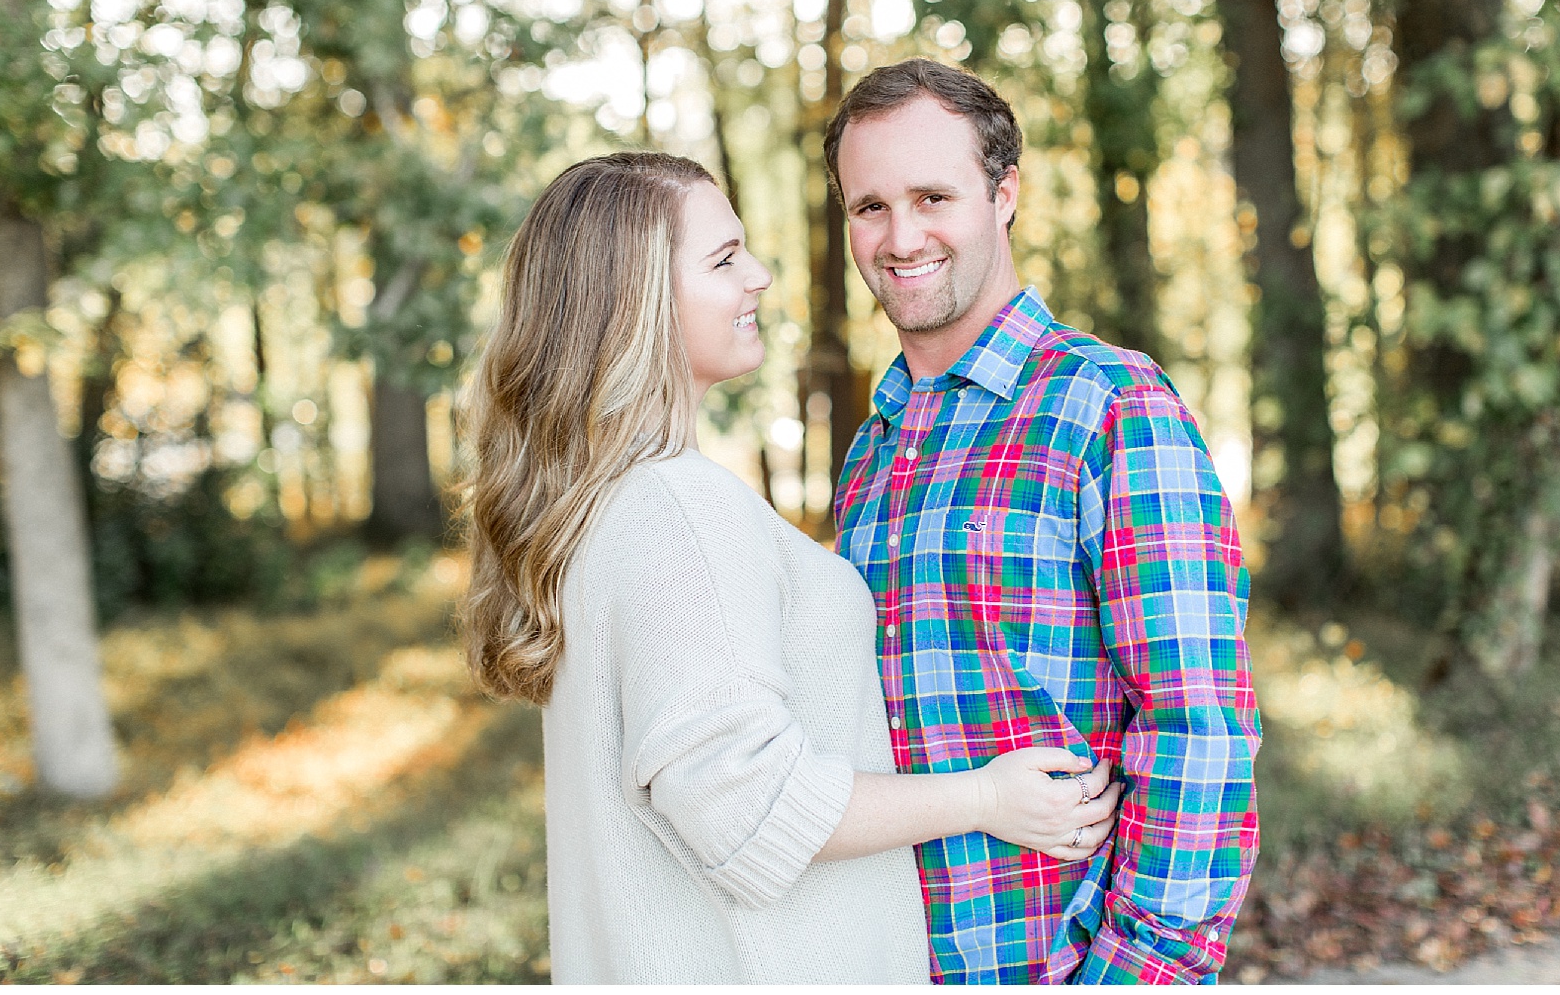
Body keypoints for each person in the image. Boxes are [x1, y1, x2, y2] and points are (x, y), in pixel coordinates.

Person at [458, 151, 1124, 984]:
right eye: (724, 258)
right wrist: (982, 798)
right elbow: (744, 804)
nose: (761, 276)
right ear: (637, 299)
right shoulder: (676, 507)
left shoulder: (602, 502)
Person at [826, 60, 1261, 984]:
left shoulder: (1111, 404)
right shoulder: (873, 453)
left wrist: (1136, 976)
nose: (901, 237)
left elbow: (1199, 727)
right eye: (869, 206)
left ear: (1003, 194)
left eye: (933, 196)